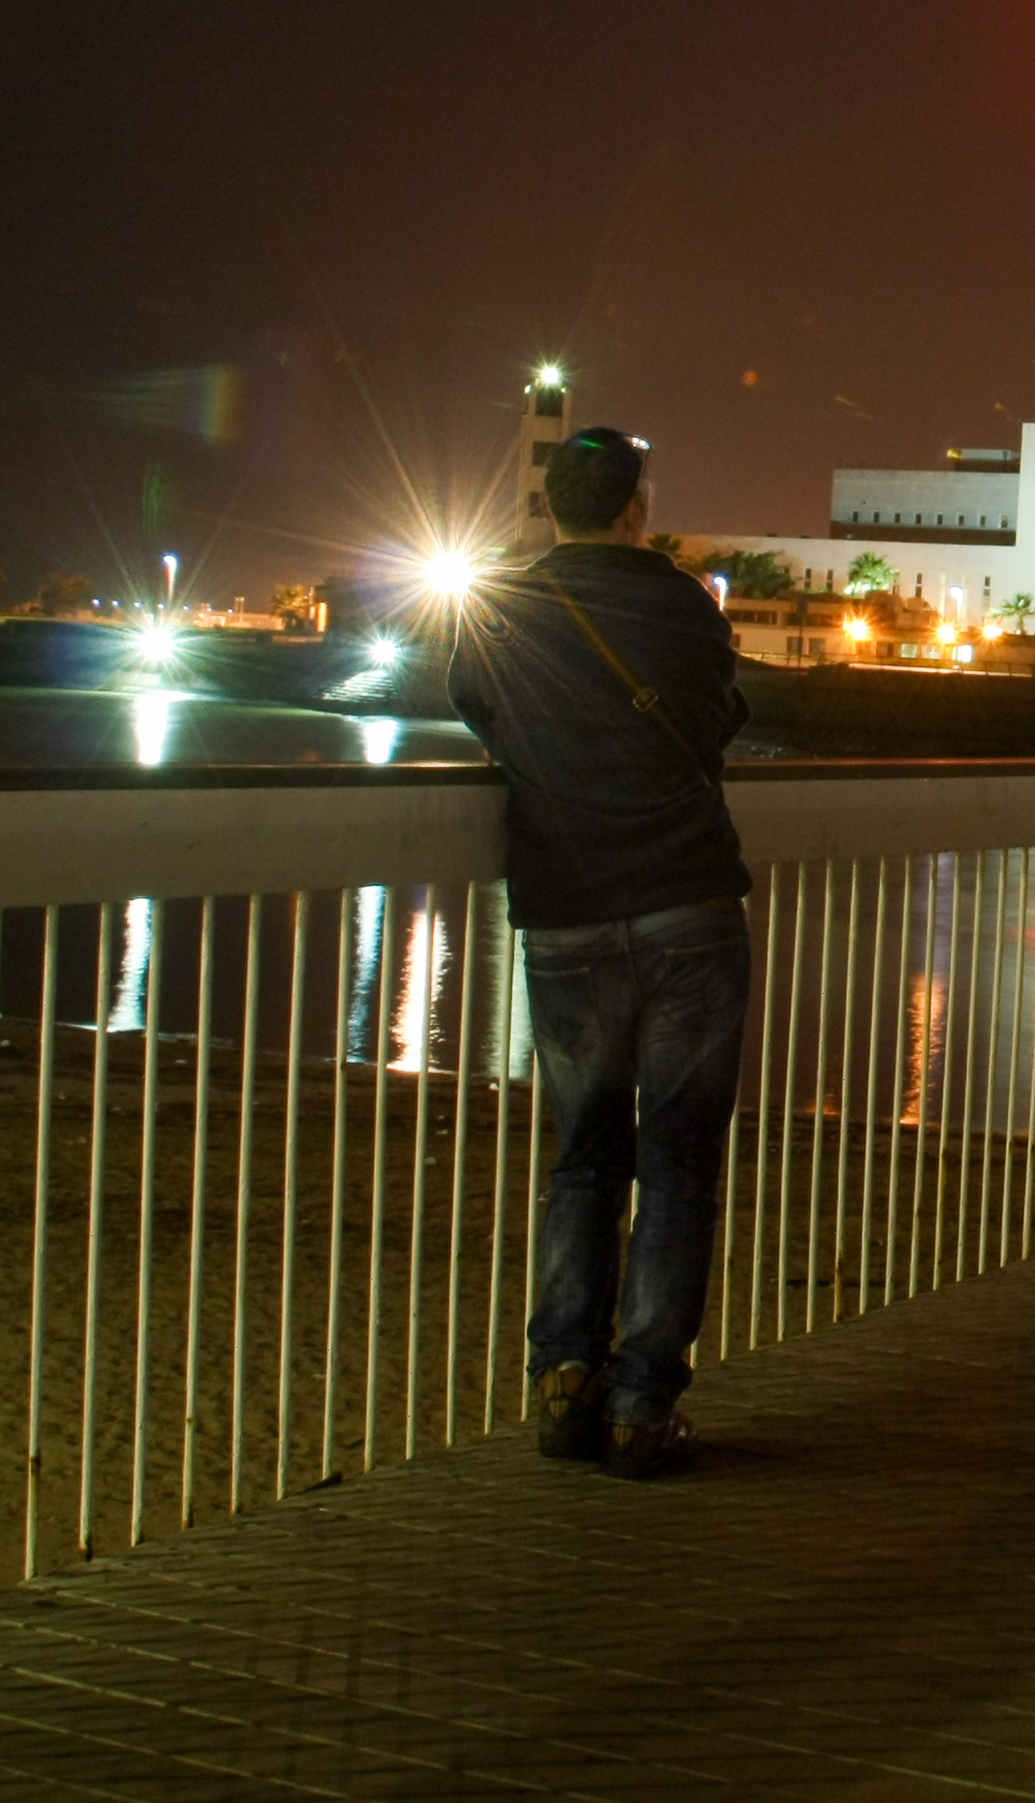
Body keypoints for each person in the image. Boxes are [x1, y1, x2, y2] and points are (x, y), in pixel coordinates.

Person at [448, 425, 750, 1479]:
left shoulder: (506, 604)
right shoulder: (683, 605)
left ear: (553, 504)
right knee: (678, 1161)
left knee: (583, 1152)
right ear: (636, 507)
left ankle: (563, 1374)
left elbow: (473, 699)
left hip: (568, 905)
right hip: (687, 907)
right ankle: (641, 1404)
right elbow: (720, 717)